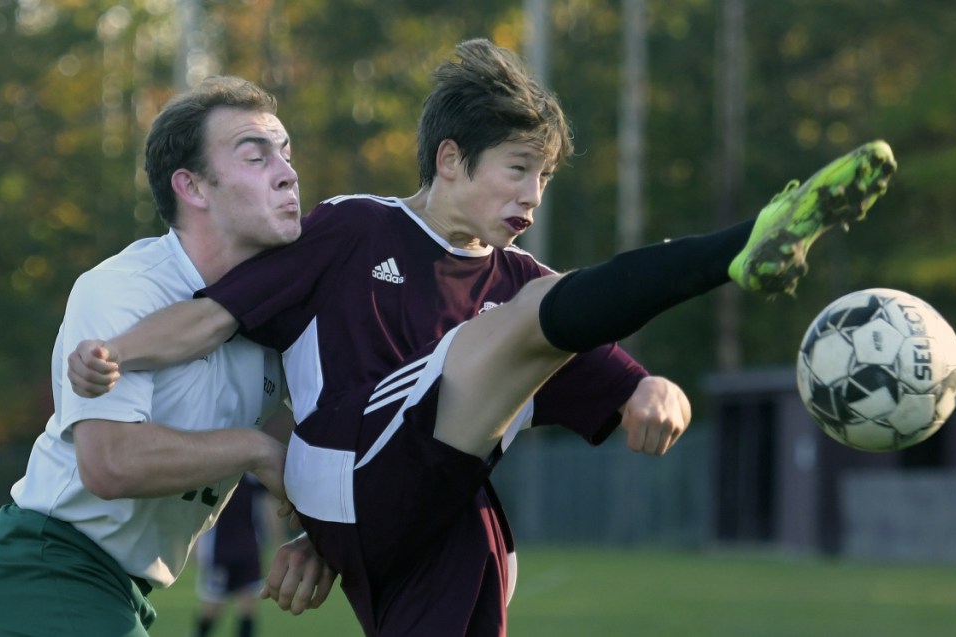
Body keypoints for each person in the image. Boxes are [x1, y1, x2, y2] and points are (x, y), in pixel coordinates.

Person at [68, 40, 897, 636]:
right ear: (452, 159)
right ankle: (744, 244)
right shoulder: (354, 229)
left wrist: (656, 391)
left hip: (430, 515)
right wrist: (119, 354)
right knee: (519, 325)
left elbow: (614, 371)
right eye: (517, 169)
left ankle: (745, 248)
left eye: (545, 177)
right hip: (340, 470)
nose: (532, 195)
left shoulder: (518, 281)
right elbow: (213, 315)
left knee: (493, 514)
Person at [0, 76, 333, 637]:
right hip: (43, 565)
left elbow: (324, 435)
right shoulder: (124, 288)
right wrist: (254, 449)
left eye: (286, 154)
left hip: (118, 587)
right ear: (192, 187)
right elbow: (110, 463)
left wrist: (323, 536)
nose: (288, 172)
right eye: (255, 156)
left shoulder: (281, 310)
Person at [192, 473, 272, 637]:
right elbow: (199, 511)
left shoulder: (253, 478)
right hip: (220, 552)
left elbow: (266, 510)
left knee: (248, 607)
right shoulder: (216, 476)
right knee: (213, 607)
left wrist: (272, 539)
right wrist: (196, 544)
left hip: (248, 550)